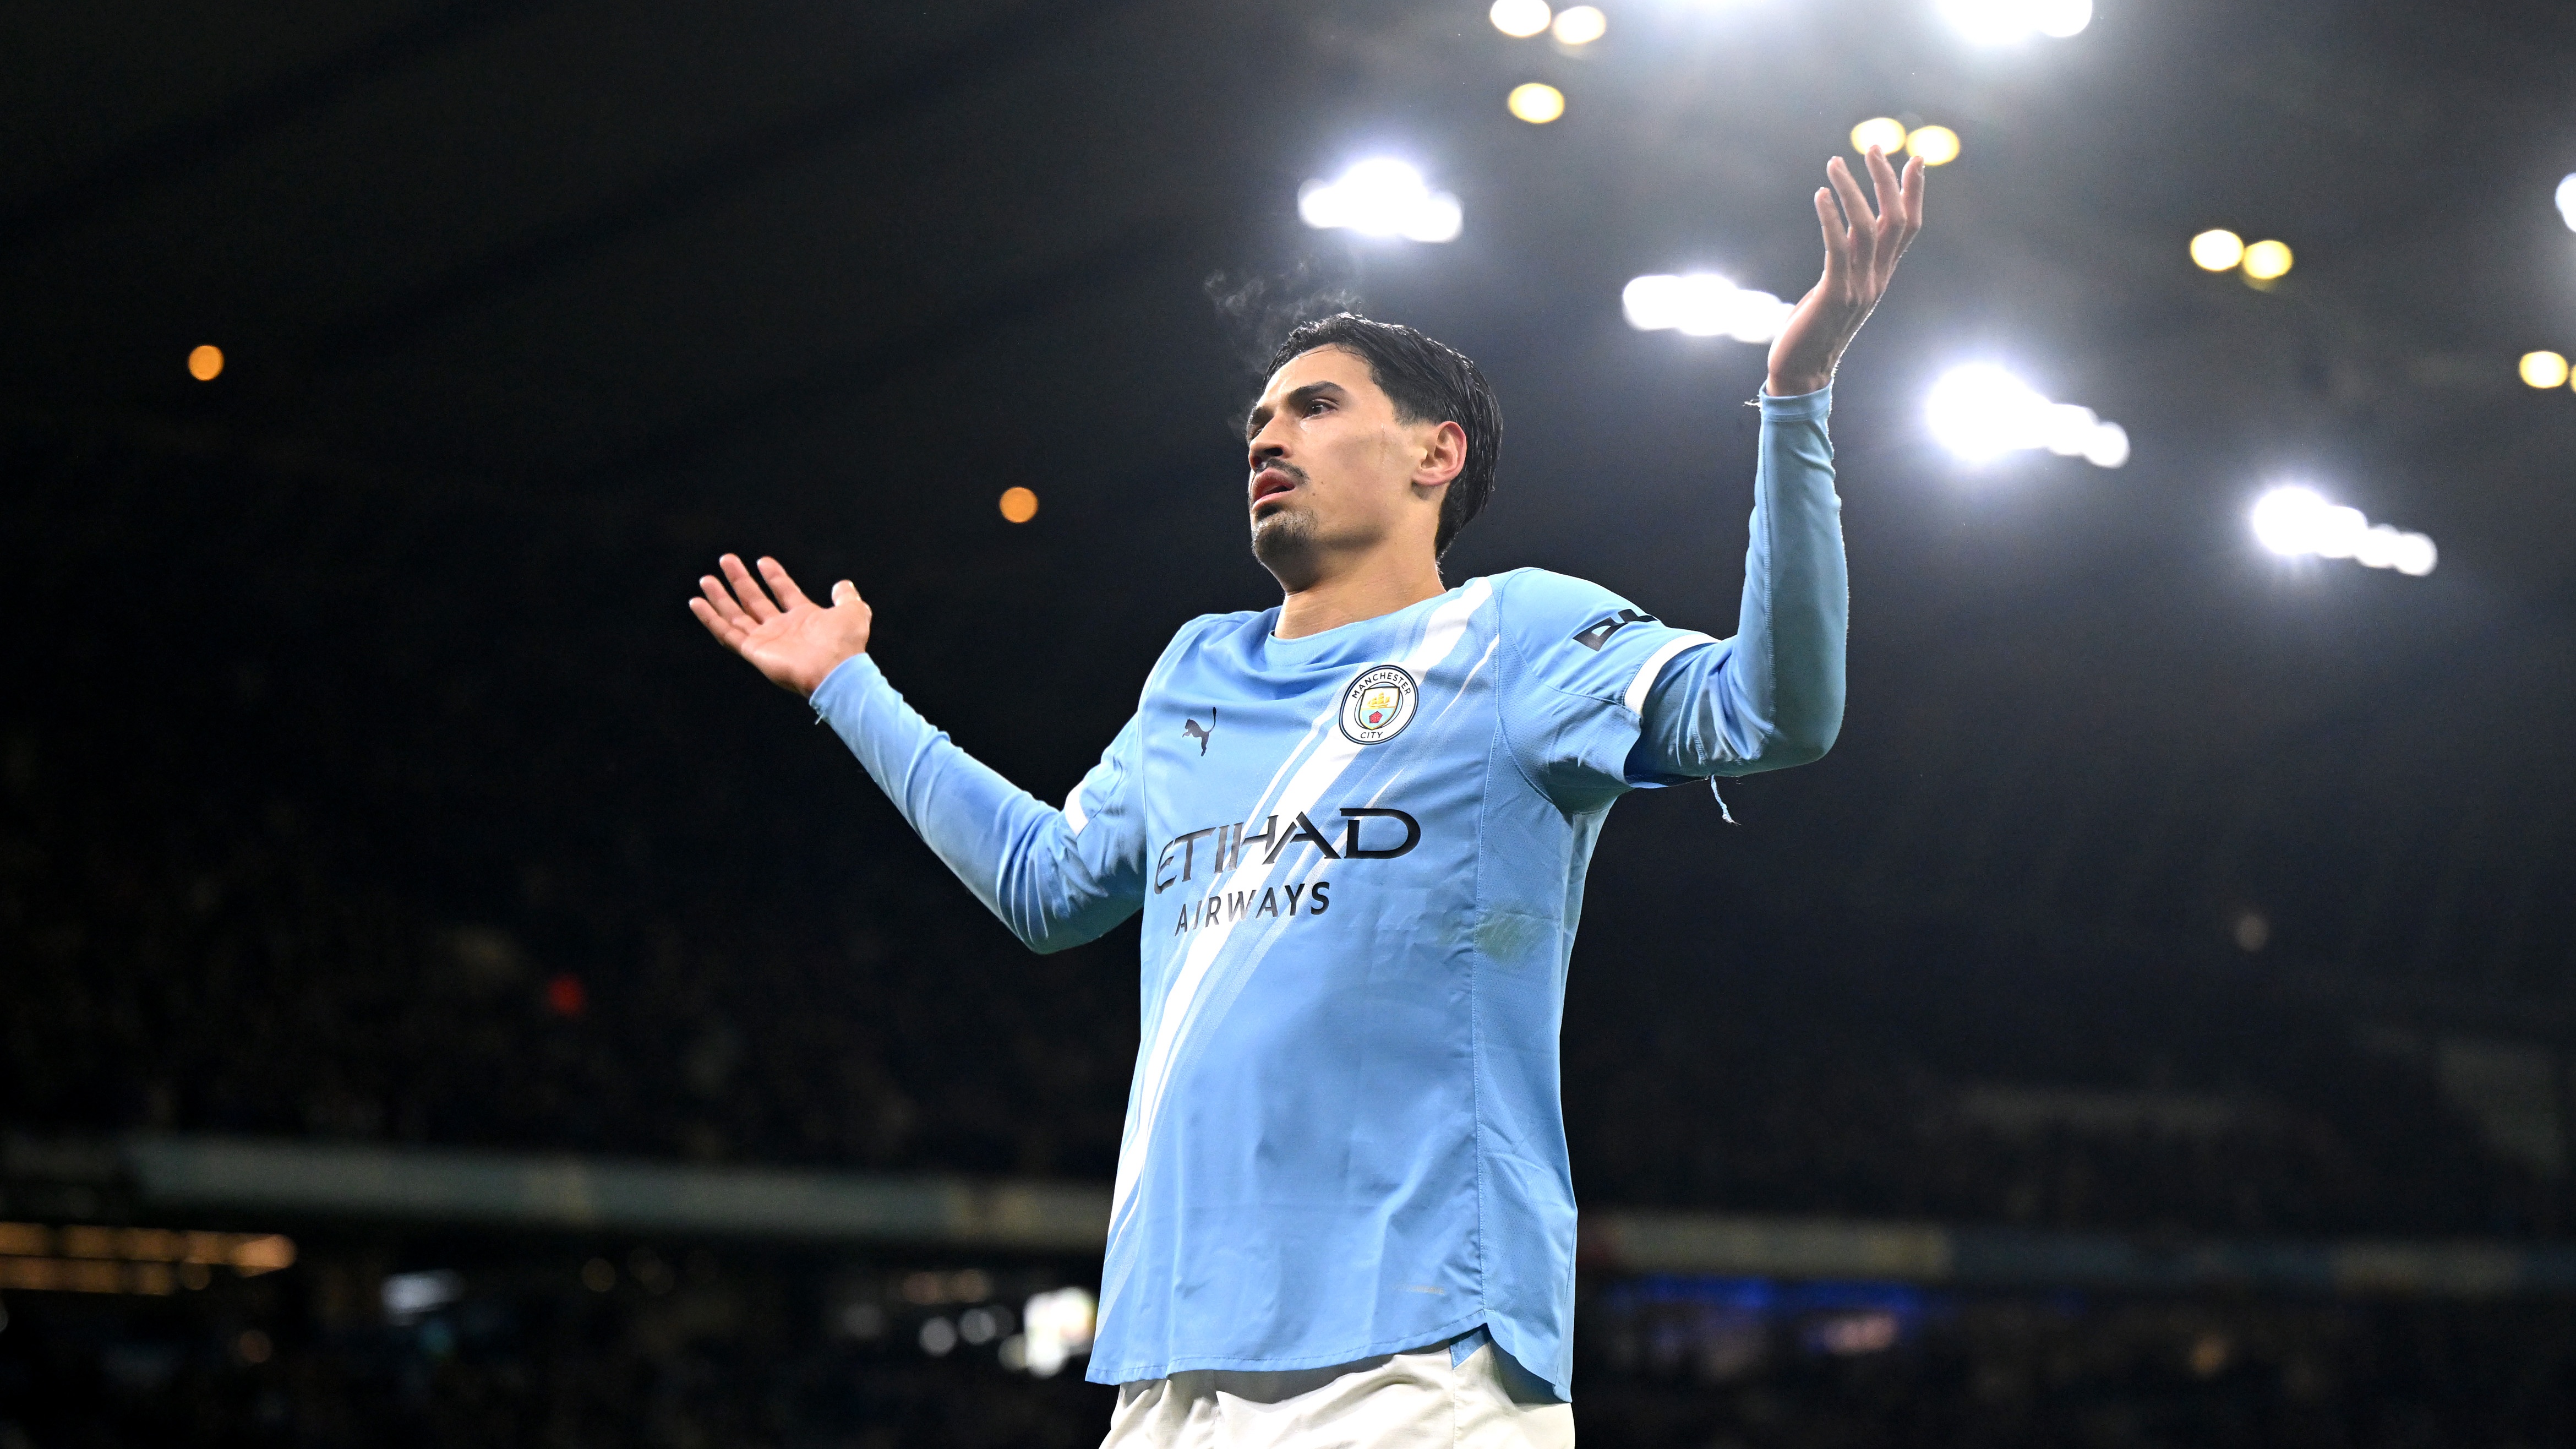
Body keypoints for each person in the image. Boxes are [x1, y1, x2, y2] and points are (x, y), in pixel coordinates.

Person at [691, 148, 1925, 1447]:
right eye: (1258, 423)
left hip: (1417, 1359)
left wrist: (1795, 397)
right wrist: (851, 685)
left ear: (1434, 453)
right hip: (1171, 1365)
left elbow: (1777, 715)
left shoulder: (1517, 634)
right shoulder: (1196, 669)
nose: (1267, 437)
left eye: (1316, 406)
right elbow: (1047, 889)